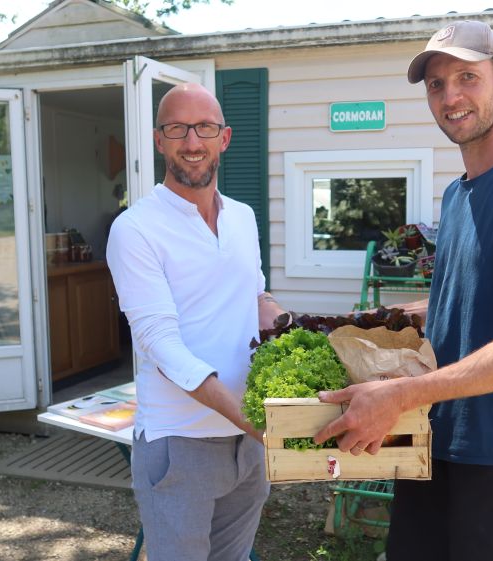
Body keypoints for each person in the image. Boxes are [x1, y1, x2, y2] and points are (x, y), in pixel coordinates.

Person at [314, 20, 493, 561]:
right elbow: (466, 303)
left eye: (467, 77)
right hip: (431, 434)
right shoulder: (457, 194)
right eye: (436, 84)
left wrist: (397, 395)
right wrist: (387, 318)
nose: (450, 96)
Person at [106, 82, 285, 561]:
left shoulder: (243, 218)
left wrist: (292, 327)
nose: (192, 142)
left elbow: (254, 293)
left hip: (246, 445)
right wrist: (251, 420)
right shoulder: (135, 229)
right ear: (158, 139)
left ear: (223, 139)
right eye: (177, 129)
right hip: (179, 443)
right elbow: (161, 345)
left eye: (204, 128)